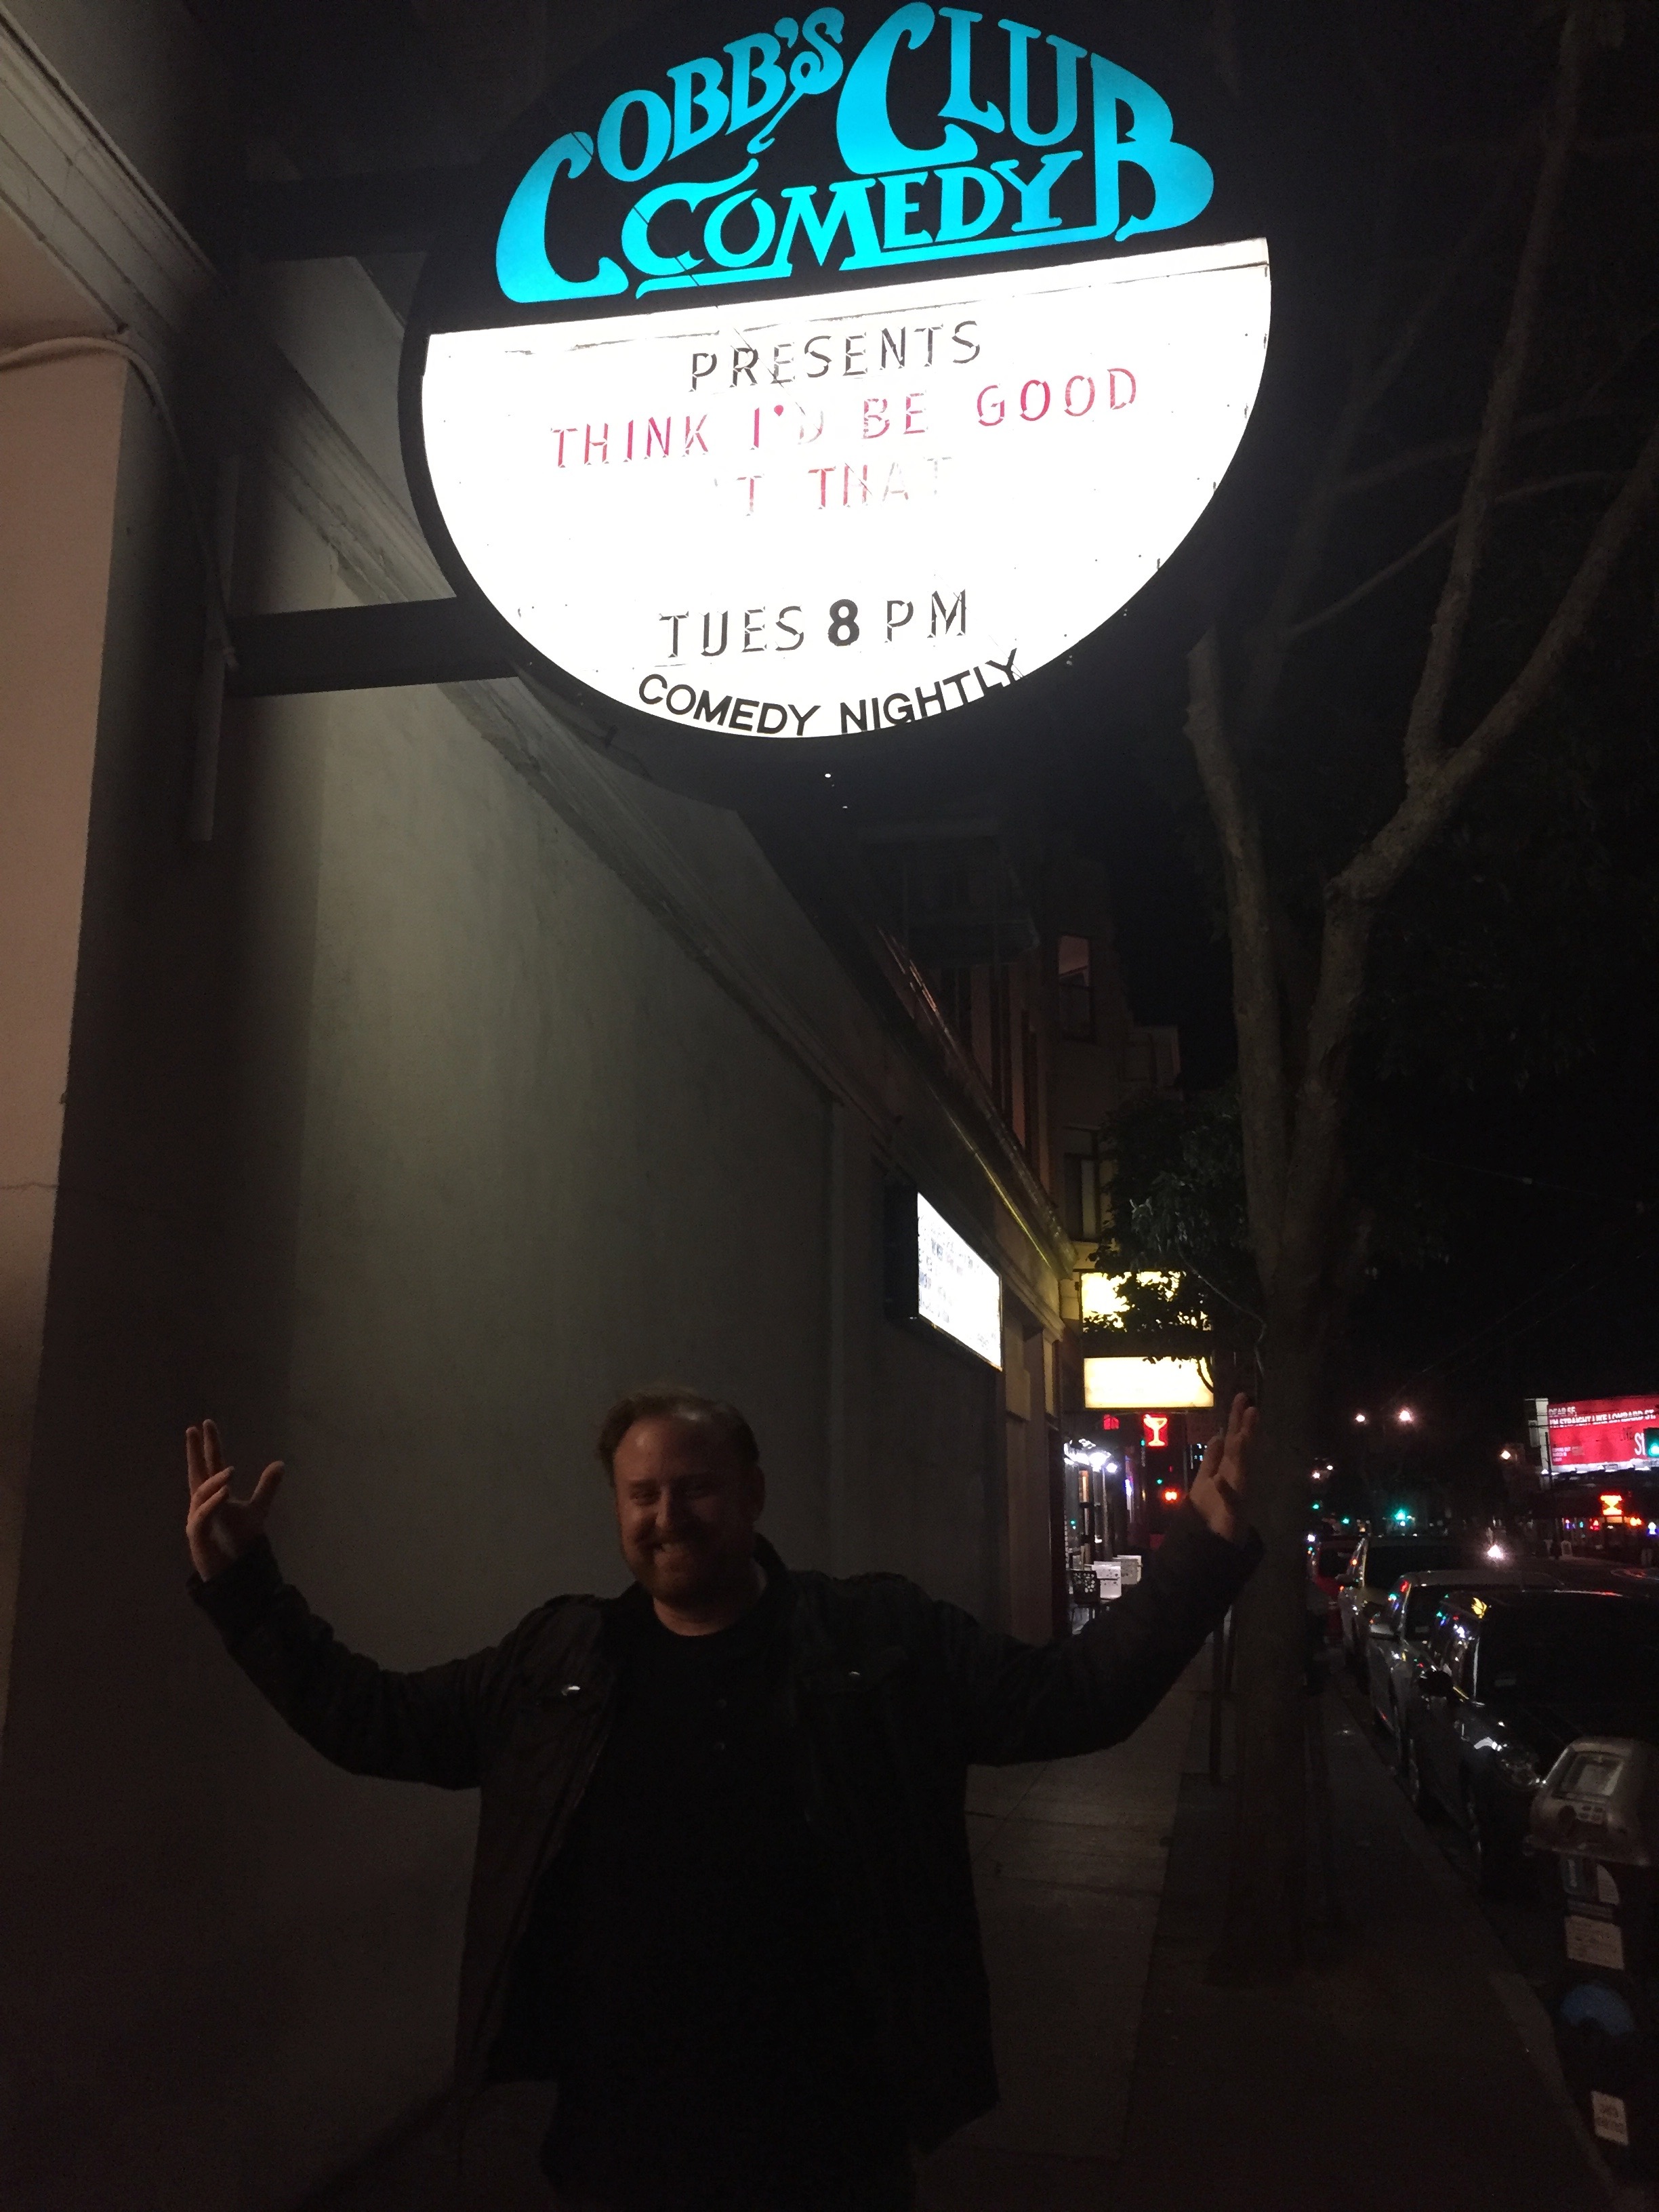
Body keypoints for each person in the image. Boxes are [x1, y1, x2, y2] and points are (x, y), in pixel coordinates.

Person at [186, 1387, 1259, 2211]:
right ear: (617, 1508)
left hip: (829, 2144)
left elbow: (1074, 1699)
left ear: (752, 1494)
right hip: (618, 2147)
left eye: (695, 1488)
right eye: (642, 1495)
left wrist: (1200, 1558)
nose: (669, 1516)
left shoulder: (879, 1641)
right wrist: (245, 1591)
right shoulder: (556, 1663)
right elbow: (374, 1721)